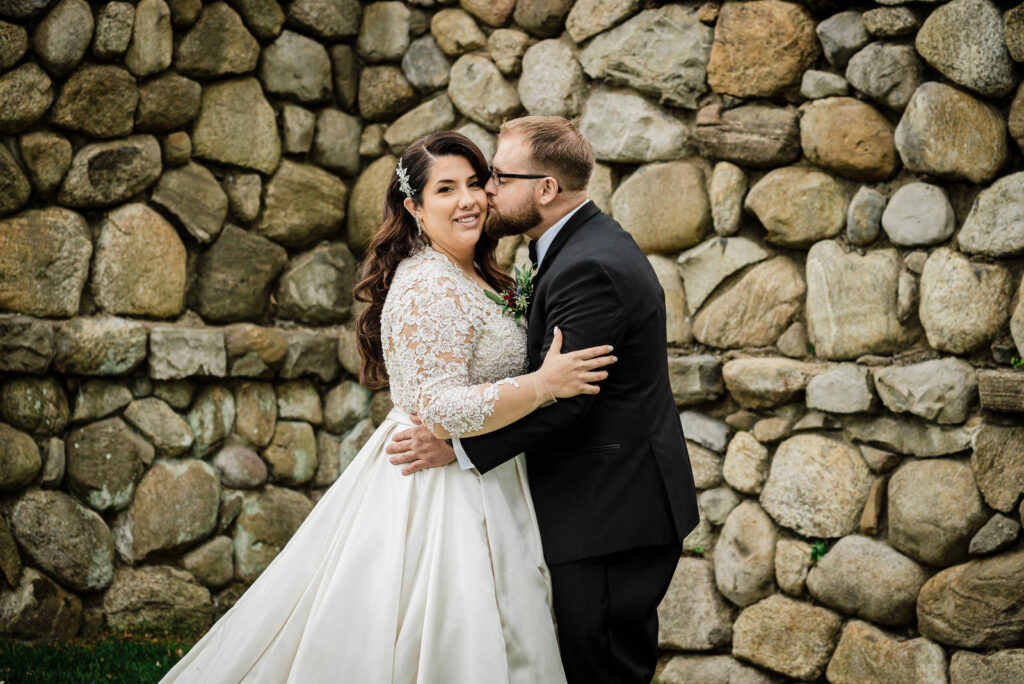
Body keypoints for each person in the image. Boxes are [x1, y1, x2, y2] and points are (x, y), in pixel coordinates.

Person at [160, 131, 616, 683]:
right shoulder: (428, 282)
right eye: (445, 189)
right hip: (435, 489)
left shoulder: (475, 272)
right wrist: (544, 385)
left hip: (482, 475)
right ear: (414, 207)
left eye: (475, 183)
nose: (469, 200)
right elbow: (440, 407)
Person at [387, 117, 700, 684]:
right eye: (456, 186)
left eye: (497, 178)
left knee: (602, 668)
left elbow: (569, 401)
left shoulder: (588, 266)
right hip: (591, 506)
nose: (485, 193)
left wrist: (457, 451)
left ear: (546, 189)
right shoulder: (566, 250)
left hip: (609, 512)